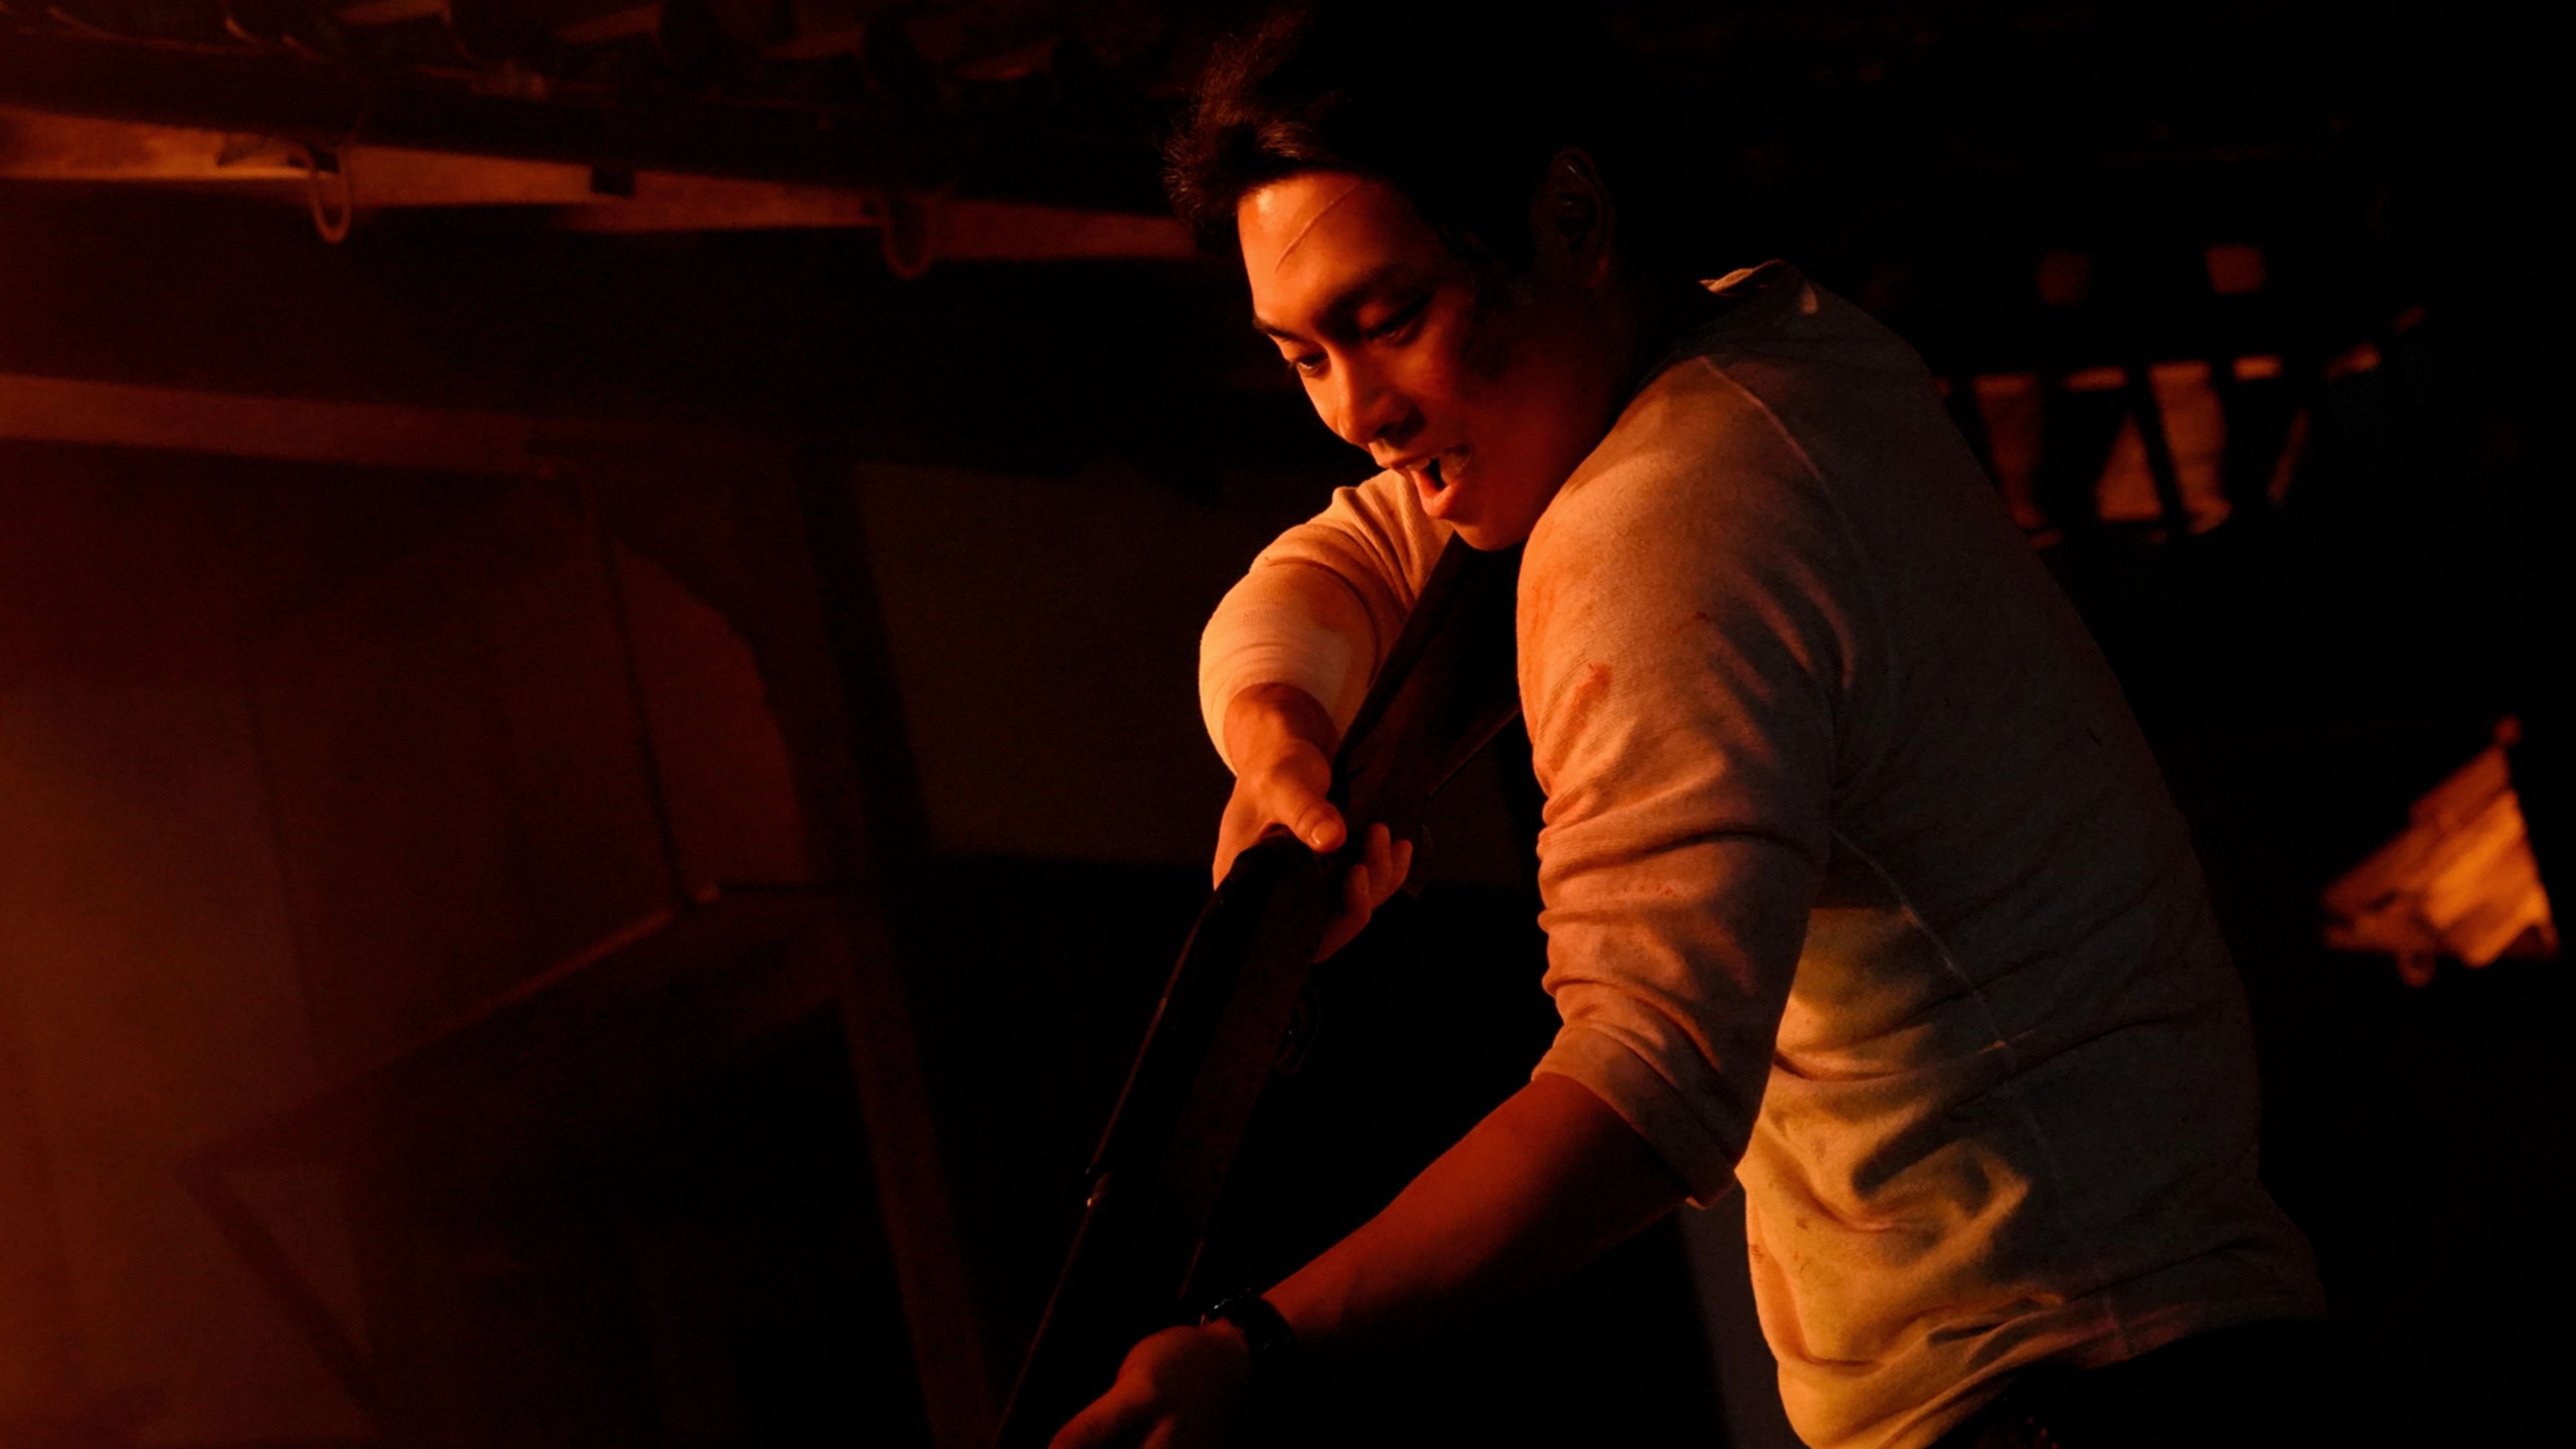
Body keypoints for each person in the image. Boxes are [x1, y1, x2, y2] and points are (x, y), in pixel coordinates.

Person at [1053, 5, 2328, 1447]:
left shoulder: (1668, 513)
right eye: (1303, 357)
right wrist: (1278, 739)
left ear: (1571, 220)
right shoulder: (1773, 347)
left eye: (1388, 321)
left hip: (2066, 1389)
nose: (1357, 414)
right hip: (2163, 1344)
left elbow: (1645, 1087)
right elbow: (1345, 556)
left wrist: (1255, 1357)